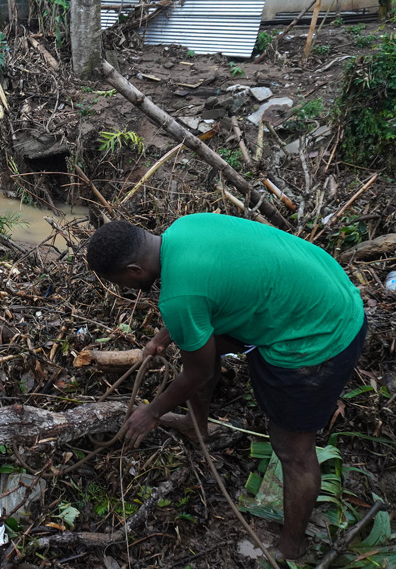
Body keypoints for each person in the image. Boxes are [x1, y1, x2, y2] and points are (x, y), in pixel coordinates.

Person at [86, 213, 366, 561]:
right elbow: (216, 284)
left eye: (119, 283)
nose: (123, 289)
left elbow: (198, 373)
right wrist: (169, 331)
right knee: (205, 347)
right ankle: (198, 425)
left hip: (318, 334)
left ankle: (291, 547)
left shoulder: (180, 296)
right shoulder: (185, 228)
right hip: (326, 289)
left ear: (133, 271)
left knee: (293, 450)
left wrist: (152, 412)